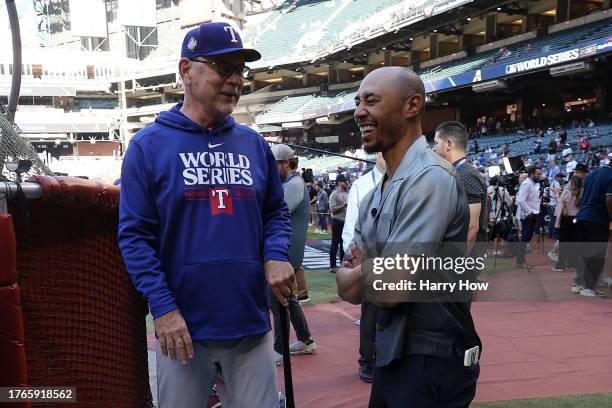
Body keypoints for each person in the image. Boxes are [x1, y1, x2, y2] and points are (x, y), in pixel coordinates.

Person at [118, 22, 294, 407]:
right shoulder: (148, 146)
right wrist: (163, 309)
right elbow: (134, 237)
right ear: (186, 70)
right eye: (222, 68)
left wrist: (277, 253)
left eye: (240, 70)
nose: (235, 80)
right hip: (182, 332)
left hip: (250, 324)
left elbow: (275, 211)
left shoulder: (254, 144)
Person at [337, 67, 481, 407]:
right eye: (358, 102)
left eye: (371, 101)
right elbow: (347, 289)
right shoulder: (375, 193)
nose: (359, 111)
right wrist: (378, 268)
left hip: (432, 359)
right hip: (392, 353)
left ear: (412, 106)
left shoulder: (432, 178)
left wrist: (369, 268)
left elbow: (389, 289)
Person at [270, 144, 317, 364]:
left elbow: (273, 212)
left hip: (285, 251)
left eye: (274, 164)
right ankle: (305, 339)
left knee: (277, 299)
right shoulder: (293, 183)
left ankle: (280, 349)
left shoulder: (294, 185)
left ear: (285, 163)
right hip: (287, 250)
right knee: (288, 298)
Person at [341, 152, 386, 383]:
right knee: (371, 312)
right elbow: (350, 226)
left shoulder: (403, 179)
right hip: (368, 256)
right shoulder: (361, 184)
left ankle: (388, 359)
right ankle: (367, 360)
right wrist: (355, 258)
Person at [433, 121, 488, 257]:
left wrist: (455, 264)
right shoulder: (458, 172)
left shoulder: (466, 175)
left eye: (436, 142)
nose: (433, 148)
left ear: (448, 144)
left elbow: (472, 228)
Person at [572, 161, 612, 296]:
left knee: (584, 253)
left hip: (582, 216)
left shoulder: (591, 175)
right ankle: (589, 287)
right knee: (597, 255)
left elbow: (581, 197)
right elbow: (609, 200)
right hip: (597, 218)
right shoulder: (610, 175)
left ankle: (578, 283)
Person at [552, 175, 582, 272]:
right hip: (577, 219)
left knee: (564, 242)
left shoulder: (566, 192)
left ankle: (561, 265)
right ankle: (573, 263)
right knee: (574, 242)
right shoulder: (582, 192)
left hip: (566, 219)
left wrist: (556, 194)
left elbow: (560, 204)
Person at [515, 166, 542, 269]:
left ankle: (520, 261)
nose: (539, 176)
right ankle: (519, 261)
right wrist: (529, 212)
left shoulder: (532, 184)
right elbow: (520, 200)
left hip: (533, 213)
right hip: (528, 215)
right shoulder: (527, 184)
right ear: (532, 174)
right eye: (538, 174)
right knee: (526, 238)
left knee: (527, 237)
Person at [329, 174, 348, 272]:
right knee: (335, 243)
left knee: (343, 243)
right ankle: (332, 266)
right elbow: (332, 209)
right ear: (340, 182)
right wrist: (343, 205)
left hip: (344, 221)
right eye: (345, 181)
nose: (346, 183)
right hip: (337, 221)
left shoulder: (346, 193)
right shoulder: (334, 194)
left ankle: (341, 264)